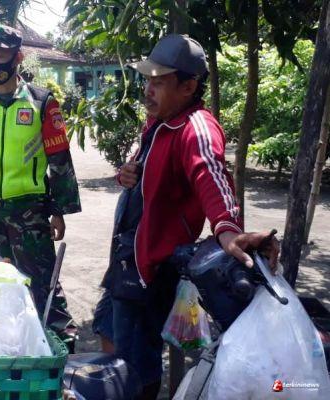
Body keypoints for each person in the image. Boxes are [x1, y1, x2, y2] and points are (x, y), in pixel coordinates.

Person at [93, 34, 280, 399]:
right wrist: (127, 173)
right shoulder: (159, 121)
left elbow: (210, 174)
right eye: (147, 80)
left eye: (159, 82)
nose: (148, 89)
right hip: (126, 259)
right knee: (110, 336)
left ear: (188, 86)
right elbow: (147, 170)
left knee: (135, 368)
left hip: (149, 271)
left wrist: (228, 228)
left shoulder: (196, 127)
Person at [0, 24, 82, 350]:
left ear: (18, 58)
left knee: (43, 286)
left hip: (30, 213)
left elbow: (59, 158)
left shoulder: (41, 102)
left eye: (1, 55)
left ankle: (62, 353)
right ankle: (9, 351)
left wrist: (59, 210)